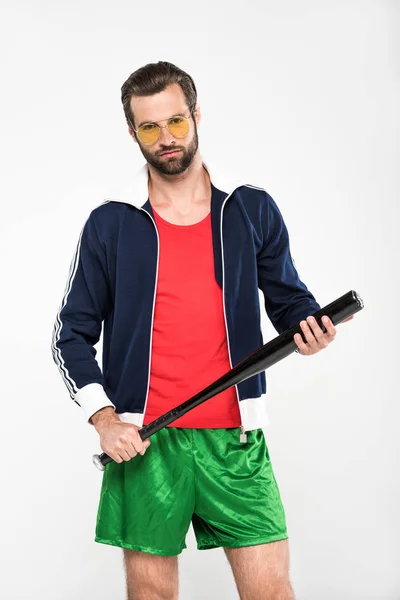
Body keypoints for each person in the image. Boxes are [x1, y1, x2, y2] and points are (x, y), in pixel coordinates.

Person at [51, 61, 353, 600]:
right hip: (147, 443)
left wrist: (310, 327)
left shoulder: (249, 209)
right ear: (132, 133)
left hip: (236, 440)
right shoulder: (113, 222)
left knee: (272, 592)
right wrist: (104, 420)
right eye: (149, 127)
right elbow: (70, 332)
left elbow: (289, 300)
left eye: (176, 121)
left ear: (196, 115)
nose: (166, 138)